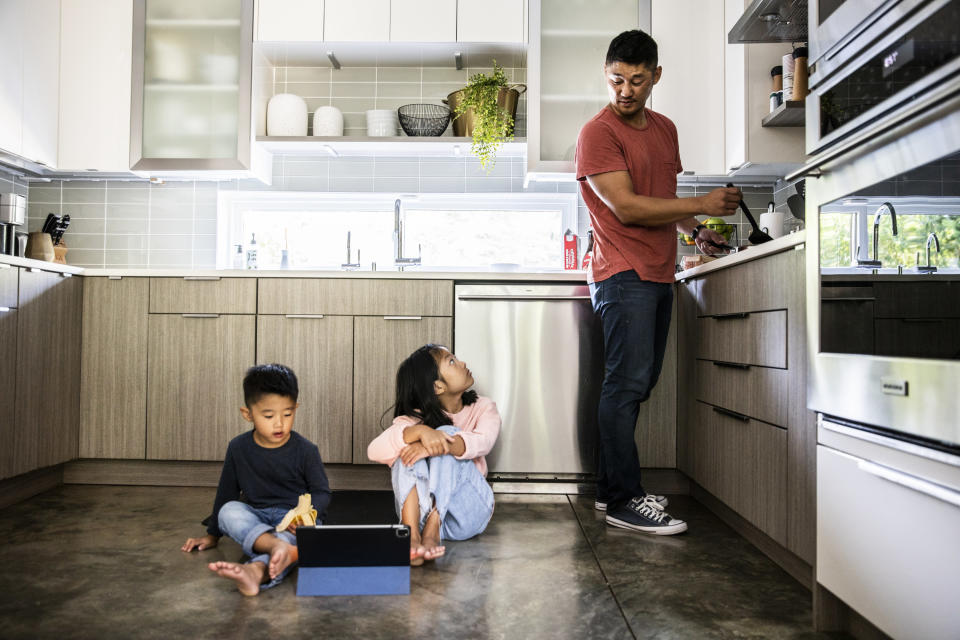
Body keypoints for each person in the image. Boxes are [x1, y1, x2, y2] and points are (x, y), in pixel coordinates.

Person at [575, 30, 740, 535]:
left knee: (637, 384)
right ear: (607, 76)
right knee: (625, 386)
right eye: (615, 80)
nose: (624, 90)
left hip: (657, 270)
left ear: (656, 77)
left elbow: (660, 198)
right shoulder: (597, 133)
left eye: (636, 80)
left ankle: (610, 491)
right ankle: (626, 499)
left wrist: (698, 234)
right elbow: (626, 206)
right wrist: (701, 206)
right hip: (621, 271)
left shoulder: (664, 129)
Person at [180, 363, 331, 595]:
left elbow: (322, 492)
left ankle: (255, 571)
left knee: (306, 536)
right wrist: (212, 535)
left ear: (296, 408)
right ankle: (275, 545)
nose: (279, 423)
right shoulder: (238, 448)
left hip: (292, 521)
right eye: (269, 415)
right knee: (228, 511)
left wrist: (306, 516)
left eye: (288, 414)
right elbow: (226, 492)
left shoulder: (306, 450)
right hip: (255, 516)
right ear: (248, 414)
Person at [367, 345, 500, 566]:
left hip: (468, 513)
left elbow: (483, 442)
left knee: (446, 434)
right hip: (420, 515)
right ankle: (411, 534)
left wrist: (434, 445)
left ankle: (432, 532)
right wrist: (419, 432)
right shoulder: (415, 419)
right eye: (451, 361)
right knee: (404, 447)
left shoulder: (483, 407)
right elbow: (374, 450)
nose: (463, 364)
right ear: (437, 386)